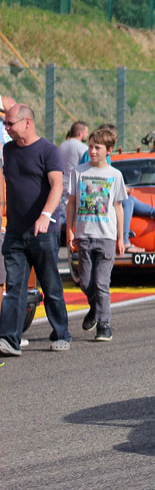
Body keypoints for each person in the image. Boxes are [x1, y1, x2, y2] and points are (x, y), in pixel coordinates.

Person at [0, 103, 72, 355]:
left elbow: (57, 186)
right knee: (14, 287)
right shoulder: (8, 150)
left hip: (43, 232)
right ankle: (9, 339)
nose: (6, 128)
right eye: (5, 124)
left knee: (51, 286)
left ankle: (62, 333)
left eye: (10, 124)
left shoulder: (48, 151)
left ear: (27, 123)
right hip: (15, 233)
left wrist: (45, 215)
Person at [66, 127, 126, 342]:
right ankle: (95, 308)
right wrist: (70, 230)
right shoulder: (79, 171)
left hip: (107, 237)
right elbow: (71, 203)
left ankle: (104, 324)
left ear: (108, 150)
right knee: (85, 282)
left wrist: (121, 238)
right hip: (84, 236)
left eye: (97, 148)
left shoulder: (115, 175)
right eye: (90, 146)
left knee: (101, 283)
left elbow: (118, 207)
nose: (92, 151)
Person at [55, 121, 90, 242]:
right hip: (74, 187)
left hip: (60, 185)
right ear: (80, 133)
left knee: (60, 218)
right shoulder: (83, 148)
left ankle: (57, 241)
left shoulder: (62, 145)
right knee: (73, 220)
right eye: (86, 132)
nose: (87, 134)